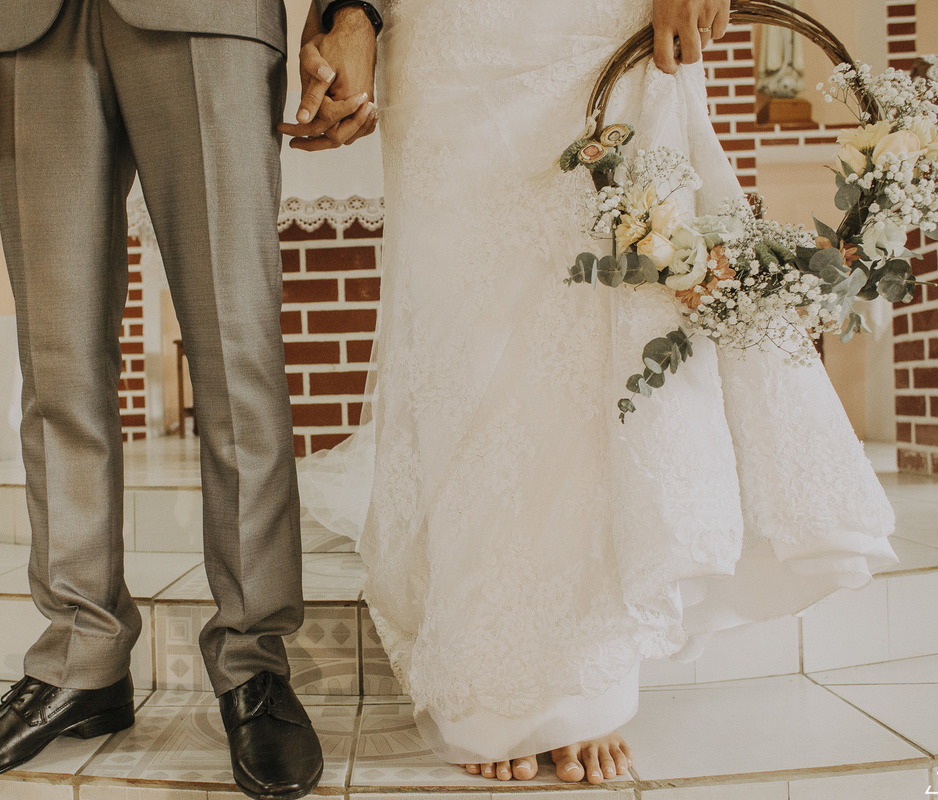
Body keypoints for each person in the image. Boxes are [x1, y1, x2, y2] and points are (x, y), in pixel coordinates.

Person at [283, 0, 899, 784]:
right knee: (463, 341)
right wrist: (352, 11)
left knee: (600, 327)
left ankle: (584, 672)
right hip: (447, 38)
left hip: (597, 22)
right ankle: (493, 664)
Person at [0, 1, 380, 796]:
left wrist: (351, 9)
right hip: (24, 27)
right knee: (56, 364)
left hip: (207, 15)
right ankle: (82, 660)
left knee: (236, 351)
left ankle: (252, 660)